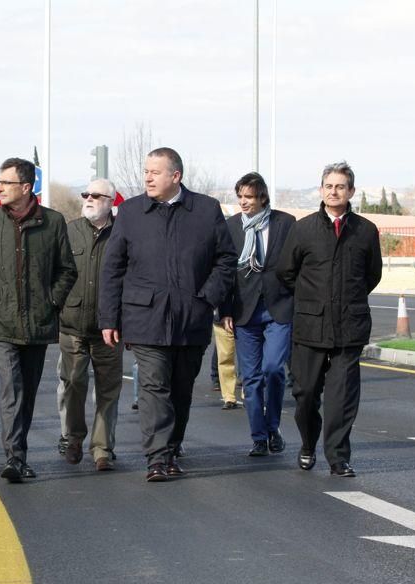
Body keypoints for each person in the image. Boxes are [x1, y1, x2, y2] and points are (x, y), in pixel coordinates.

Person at [99, 147, 237, 482]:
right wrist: (108, 318)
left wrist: (207, 298)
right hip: (145, 317)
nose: (147, 177)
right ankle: (157, 458)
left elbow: (226, 259)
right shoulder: (131, 212)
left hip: (192, 317)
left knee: (181, 389)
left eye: (155, 172)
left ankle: (172, 449)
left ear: (175, 176)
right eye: (146, 171)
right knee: (153, 386)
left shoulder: (205, 210)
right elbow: (112, 267)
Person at [0, 157, 77, 483]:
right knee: (11, 389)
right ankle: (14, 458)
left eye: (5, 183)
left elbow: (67, 270)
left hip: (38, 323)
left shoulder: (53, 222)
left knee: (27, 390)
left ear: (26, 187)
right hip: (0, 322)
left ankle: (20, 454)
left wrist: (52, 300)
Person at [276, 161, 382, 477]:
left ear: (350, 191)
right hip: (310, 327)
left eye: (340, 186)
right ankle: (308, 443)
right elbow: (286, 271)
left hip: (349, 328)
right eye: (328, 186)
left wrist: (348, 299)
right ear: (321, 190)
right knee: (305, 394)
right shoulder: (303, 228)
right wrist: (312, 298)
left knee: (342, 399)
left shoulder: (365, 230)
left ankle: (338, 457)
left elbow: (372, 275)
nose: (333, 191)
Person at [220, 172, 295, 458]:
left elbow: (297, 265)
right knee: (250, 378)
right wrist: (224, 309)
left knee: (273, 369)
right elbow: (225, 270)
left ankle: (273, 425)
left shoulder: (285, 223)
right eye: (240, 197)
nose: (243, 202)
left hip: (278, 307)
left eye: (249, 197)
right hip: (243, 310)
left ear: (262, 197)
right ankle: (259, 437)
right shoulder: (230, 227)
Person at [56, 179, 122, 472]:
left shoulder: (122, 235)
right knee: (72, 384)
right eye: (86, 194)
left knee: (108, 391)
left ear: (111, 201)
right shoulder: (70, 231)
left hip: (109, 329)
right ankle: (74, 437)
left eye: (96, 195)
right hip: (71, 325)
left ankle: (102, 449)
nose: (89, 199)